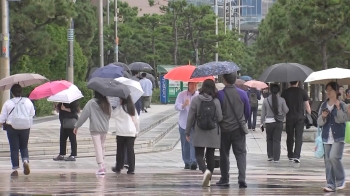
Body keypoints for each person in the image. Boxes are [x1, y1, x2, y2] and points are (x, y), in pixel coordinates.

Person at [185, 79, 223, 187]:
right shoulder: (216, 101)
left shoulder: (196, 100)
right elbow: (220, 117)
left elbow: (190, 118)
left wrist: (187, 132)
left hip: (199, 130)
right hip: (213, 131)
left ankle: (204, 171)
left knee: (199, 155)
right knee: (210, 155)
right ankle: (209, 178)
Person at [216, 72, 250, 188]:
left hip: (224, 129)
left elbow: (218, 112)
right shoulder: (243, 94)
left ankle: (225, 178)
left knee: (224, 154)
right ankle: (242, 178)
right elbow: (247, 111)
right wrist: (242, 122)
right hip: (238, 130)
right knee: (240, 154)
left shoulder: (220, 94)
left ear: (224, 80)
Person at [317, 82, 347, 192]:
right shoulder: (323, 105)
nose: (328, 92)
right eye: (327, 90)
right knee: (328, 161)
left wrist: (338, 108)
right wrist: (323, 117)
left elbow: (342, 120)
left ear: (336, 91)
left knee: (334, 157)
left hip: (338, 137)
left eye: (330, 90)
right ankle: (330, 184)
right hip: (326, 137)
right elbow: (319, 123)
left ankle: (341, 180)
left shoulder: (342, 105)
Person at [0, 84, 35, 176]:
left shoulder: (8, 103)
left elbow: (2, 117)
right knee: (24, 146)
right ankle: (25, 160)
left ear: (12, 93)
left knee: (14, 148)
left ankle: (15, 168)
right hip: (25, 127)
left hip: (12, 127)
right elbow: (32, 113)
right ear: (21, 92)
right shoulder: (27, 101)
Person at [73, 91, 111, 175]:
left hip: (95, 128)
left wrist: (77, 126)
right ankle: (103, 164)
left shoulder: (91, 103)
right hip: (104, 128)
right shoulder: (107, 103)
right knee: (101, 146)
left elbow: (84, 116)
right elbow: (109, 115)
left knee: (98, 147)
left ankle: (100, 166)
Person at [281, 81, 311, 163]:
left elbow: (283, 105)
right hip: (300, 117)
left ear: (290, 83)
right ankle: (297, 156)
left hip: (289, 117)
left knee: (290, 136)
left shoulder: (285, 92)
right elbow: (307, 105)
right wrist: (310, 114)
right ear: (297, 82)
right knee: (299, 137)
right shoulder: (302, 92)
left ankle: (290, 155)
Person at [260, 84, 289, 163]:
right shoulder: (282, 100)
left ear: (270, 90)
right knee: (277, 140)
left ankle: (270, 156)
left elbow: (263, 113)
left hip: (269, 122)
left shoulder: (266, 100)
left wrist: (261, 123)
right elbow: (286, 110)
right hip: (278, 122)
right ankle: (276, 158)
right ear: (278, 91)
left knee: (269, 139)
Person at [111, 95, 139, 174]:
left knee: (120, 150)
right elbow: (137, 121)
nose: (119, 100)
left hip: (121, 132)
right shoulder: (132, 108)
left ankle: (118, 167)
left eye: (120, 99)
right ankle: (131, 169)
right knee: (130, 150)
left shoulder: (120, 108)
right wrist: (137, 131)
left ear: (123, 100)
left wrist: (111, 106)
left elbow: (112, 115)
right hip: (131, 132)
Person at [175, 82, 198, 170]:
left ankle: (193, 161)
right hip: (184, 123)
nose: (193, 86)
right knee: (185, 144)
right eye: (192, 84)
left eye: (195, 85)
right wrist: (184, 105)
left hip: (194, 123)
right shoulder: (182, 94)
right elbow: (176, 107)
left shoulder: (198, 95)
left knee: (193, 143)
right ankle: (187, 162)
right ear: (188, 85)